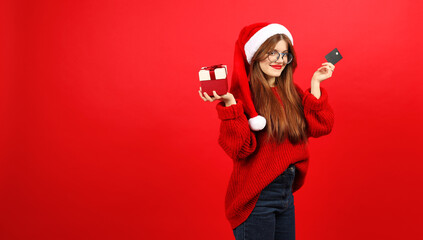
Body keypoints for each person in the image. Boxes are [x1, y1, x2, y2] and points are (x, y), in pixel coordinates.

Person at [198, 22, 335, 240]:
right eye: (272, 52)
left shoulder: (291, 93)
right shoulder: (243, 97)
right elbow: (239, 149)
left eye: (284, 54)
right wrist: (231, 106)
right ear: (256, 55)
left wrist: (316, 83)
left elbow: (321, 126)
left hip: (285, 195)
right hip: (256, 198)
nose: (279, 60)